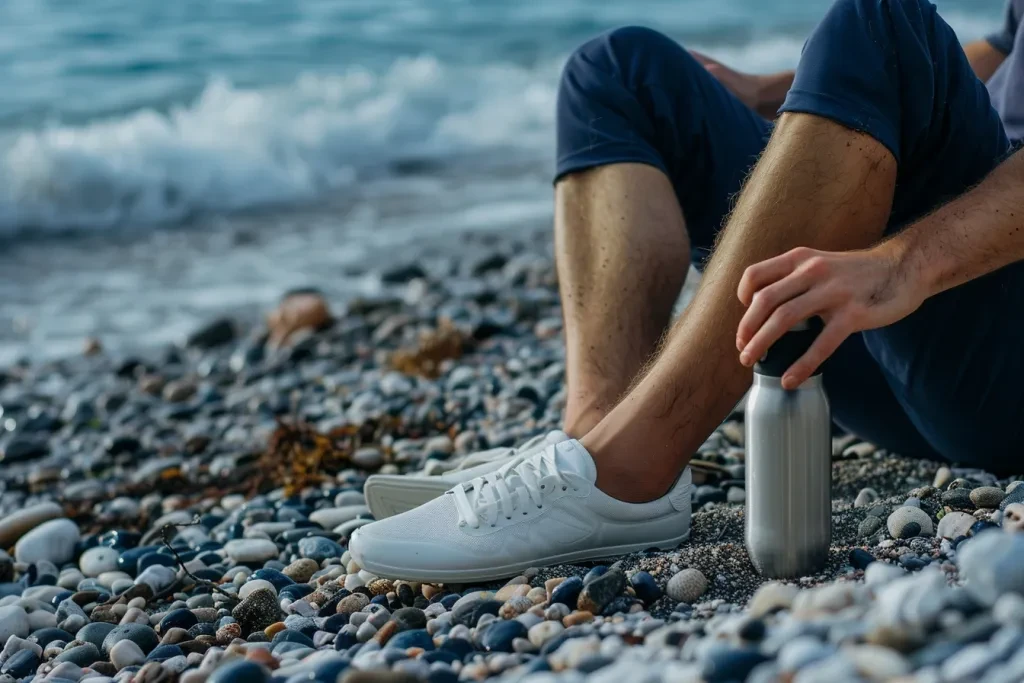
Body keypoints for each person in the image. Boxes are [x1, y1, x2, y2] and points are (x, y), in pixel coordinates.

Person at [349, 0, 1024, 581]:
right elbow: (1001, 52)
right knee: (619, 73)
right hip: (896, 350)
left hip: (993, 362)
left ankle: (627, 472)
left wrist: (907, 263)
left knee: (883, 22)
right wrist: (775, 90)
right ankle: (594, 443)